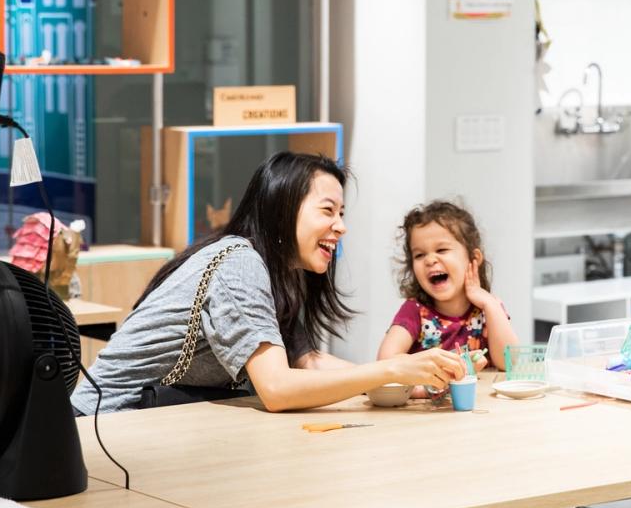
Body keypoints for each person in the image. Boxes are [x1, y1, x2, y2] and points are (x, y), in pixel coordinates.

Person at [70, 152, 467, 417]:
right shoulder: (239, 263)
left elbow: (305, 360)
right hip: (105, 426)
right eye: (327, 210)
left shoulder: (280, 272)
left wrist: (399, 383)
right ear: (282, 209)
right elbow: (276, 388)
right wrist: (388, 370)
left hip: (159, 424)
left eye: (342, 212)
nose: (341, 226)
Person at [377, 200, 520, 396]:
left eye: (442, 250)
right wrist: (424, 389)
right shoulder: (415, 310)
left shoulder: (489, 308)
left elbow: (510, 363)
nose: (430, 260)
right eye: (419, 255)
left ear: (473, 259)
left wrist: (489, 304)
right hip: (428, 413)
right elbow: (386, 363)